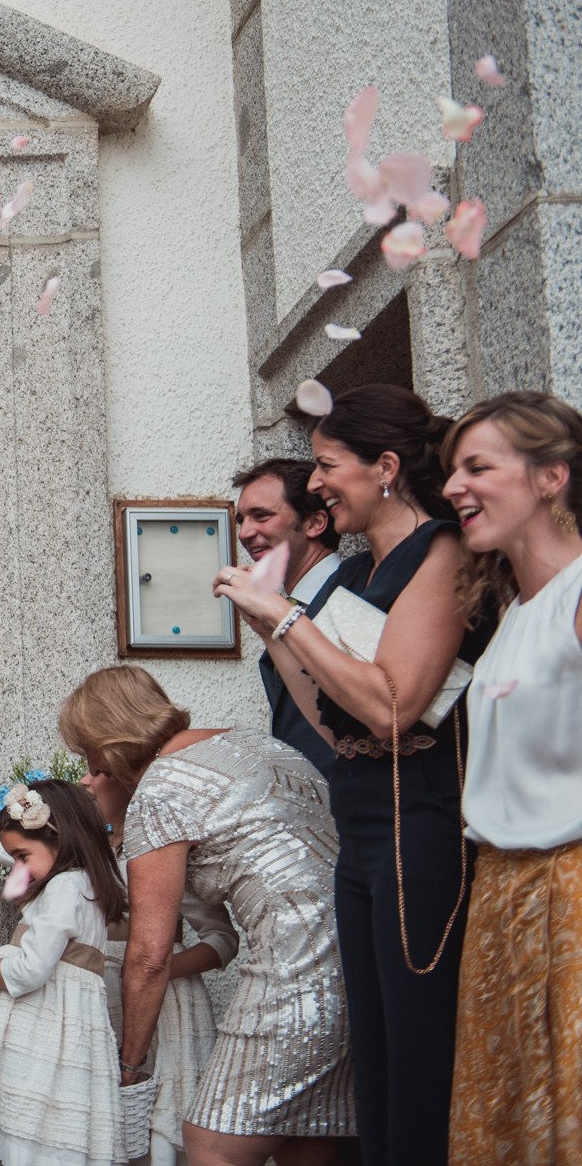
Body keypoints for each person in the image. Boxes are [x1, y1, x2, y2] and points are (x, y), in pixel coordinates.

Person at [214, 383, 490, 1166]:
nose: (321, 482)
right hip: (363, 834)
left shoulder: (439, 551)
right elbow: (335, 717)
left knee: (417, 1055)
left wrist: (292, 620)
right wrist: (271, 627)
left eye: (329, 465)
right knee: (375, 1057)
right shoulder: (370, 569)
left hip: (417, 830)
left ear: (387, 468)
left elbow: (393, 710)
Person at [59, 665, 355, 1166]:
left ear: (106, 744)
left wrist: (131, 1066)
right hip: (357, 959)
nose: (90, 766)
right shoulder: (262, 745)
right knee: (308, 1136)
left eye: (87, 752)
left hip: (295, 968)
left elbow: (150, 954)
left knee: (211, 1142)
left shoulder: (161, 788)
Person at [0, 727, 231, 1166]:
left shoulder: (162, 855)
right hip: (92, 998)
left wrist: (152, 965)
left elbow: (221, 940)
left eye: (98, 771)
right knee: (89, 1121)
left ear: (131, 778)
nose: (86, 781)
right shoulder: (83, 858)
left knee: (144, 1129)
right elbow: (6, 847)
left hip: (152, 1000)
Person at [439, 391, 582, 1164]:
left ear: (551, 476)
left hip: (570, 896)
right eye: (452, 470)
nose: (455, 486)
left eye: (477, 466)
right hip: (499, 897)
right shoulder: (514, 611)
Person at [0, 778, 126, 1166]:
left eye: (22, 856)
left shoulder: (64, 889)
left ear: (59, 837)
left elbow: (29, 970)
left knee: (35, 1143)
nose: (19, 868)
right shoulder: (85, 883)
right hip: (65, 1038)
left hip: (47, 1041)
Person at [231, 458, 344, 774]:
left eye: (261, 516)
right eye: (242, 520)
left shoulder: (350, 593)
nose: (245, 532)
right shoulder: (281, 606)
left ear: (314, 524)